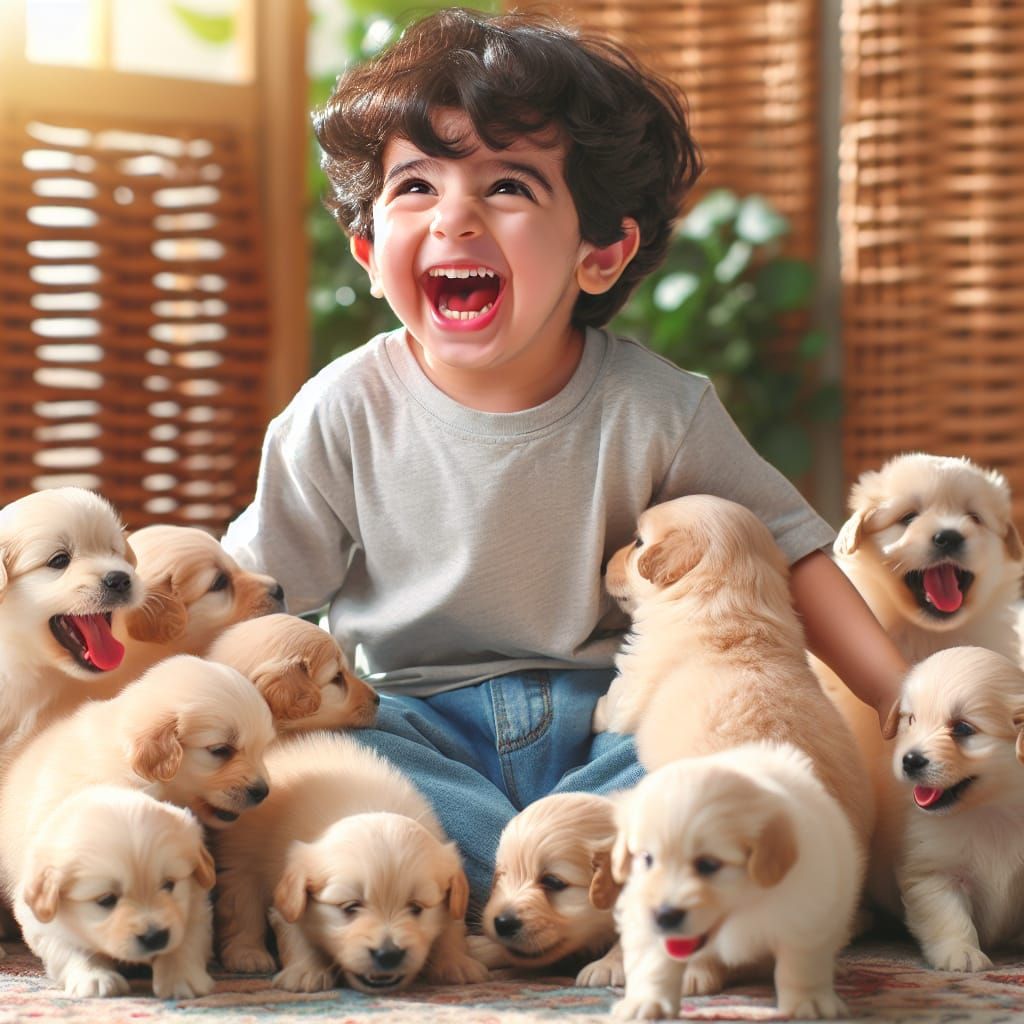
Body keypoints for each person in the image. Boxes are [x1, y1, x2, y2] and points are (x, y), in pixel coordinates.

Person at [222, 7, 907, 907]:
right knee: (324, 764)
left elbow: (790, 551)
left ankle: (524, 871)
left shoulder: (659, 408)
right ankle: (561, 875)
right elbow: (250, 598)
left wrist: (905, 697)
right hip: (409, 719)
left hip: (613, 718)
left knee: (738, 759)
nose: (455, 217)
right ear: (366, 249)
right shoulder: (339, 411)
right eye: (414, 187)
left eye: (506, 186)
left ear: (601, 253)